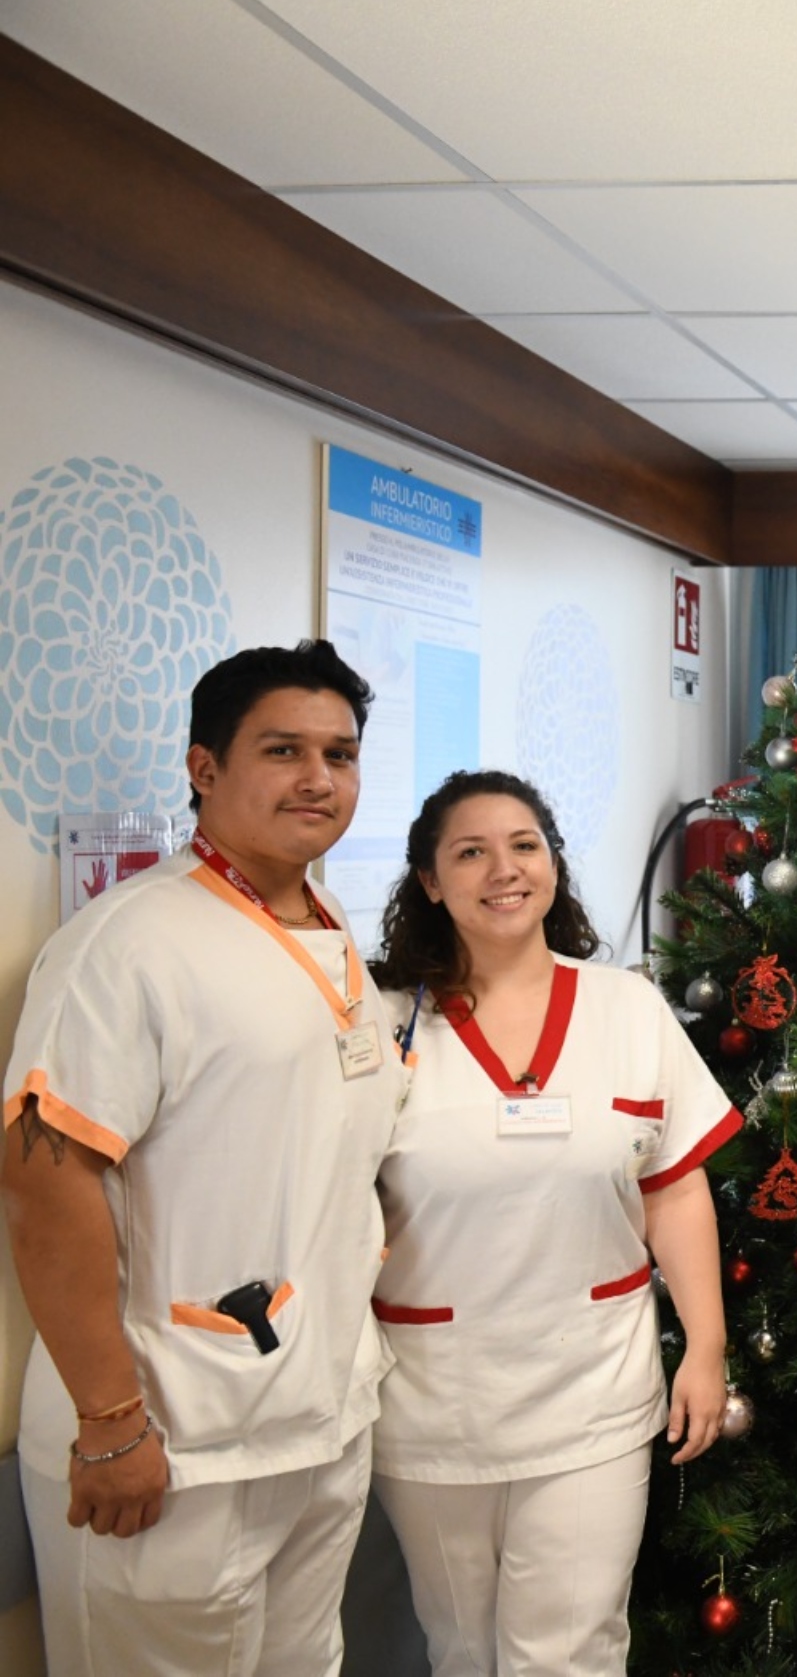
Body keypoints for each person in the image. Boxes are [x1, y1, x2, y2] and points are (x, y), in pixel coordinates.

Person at [4, 640, 400, 1676]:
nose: (319, 778)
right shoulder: (127, 944)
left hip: (314, 1422)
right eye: (283, 749)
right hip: (171, 1441)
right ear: (203, 768)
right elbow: (45, 1182)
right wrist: (110, 1421)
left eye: (341, 753)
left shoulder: (328, 926)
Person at [365, 770, 737, 1674]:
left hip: (592, 1391)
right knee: (461, 1644)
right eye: (471, 851)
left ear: (554, 864)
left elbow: (675, 1187)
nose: (504, 869)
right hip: (433, 1398)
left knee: (570, 1648)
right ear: (429, 880)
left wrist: (706, 1346)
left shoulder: (626, 1007)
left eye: (525, 845)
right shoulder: (381, 1025)